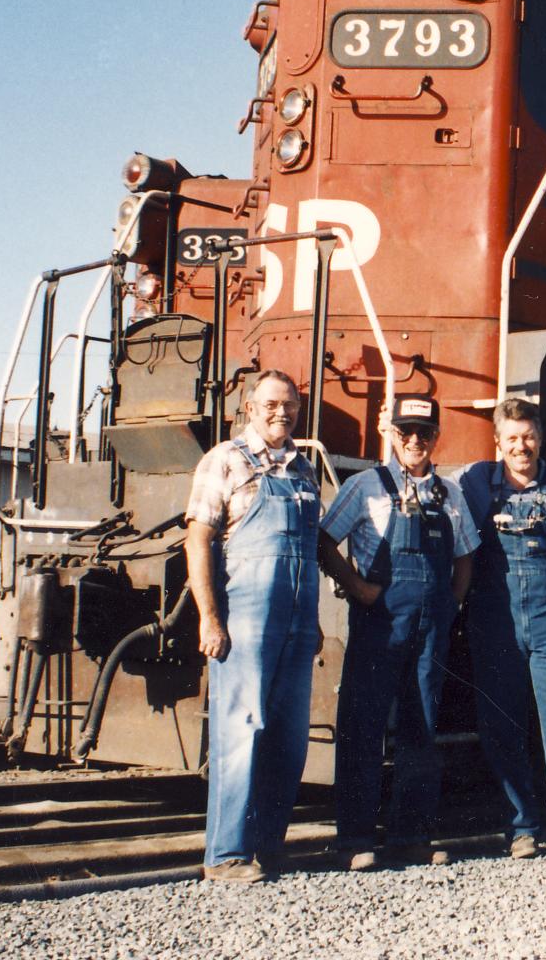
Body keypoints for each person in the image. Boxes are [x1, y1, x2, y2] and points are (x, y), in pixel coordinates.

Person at [184, 369, 375, 883]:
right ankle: (226, 855)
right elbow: (198, 540)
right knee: (240, 730)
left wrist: (314, 621)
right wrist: (209, 617)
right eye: (270, 404)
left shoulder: (303, 468)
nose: (281, 413)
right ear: (249, 407)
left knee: (288, 738)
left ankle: (267, 848)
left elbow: (313, 547)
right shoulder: (224, 460)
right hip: (245, 616)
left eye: (289, 405)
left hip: (296, 620)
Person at [321, 396, 478, 871]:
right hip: (380, 624)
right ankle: (354, 840)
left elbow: (466, 554)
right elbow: (324, 540)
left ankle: (412, 837)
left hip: (430, 628)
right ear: (390, 433)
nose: (414, 441)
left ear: (436, 437)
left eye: (424, 433)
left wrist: (452, 603)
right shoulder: (366, 486)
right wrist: (358, 588)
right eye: (405, 431)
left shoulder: (449, 494)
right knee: (363, 726)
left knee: (421, 726)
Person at [454, 397, 546, 864]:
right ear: (497, 442)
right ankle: (521, 829)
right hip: (495, 620)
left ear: (540, 439)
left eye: (529, 437)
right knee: (502, 726)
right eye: (512, 439)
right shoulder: (474, 481)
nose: (522, 446)